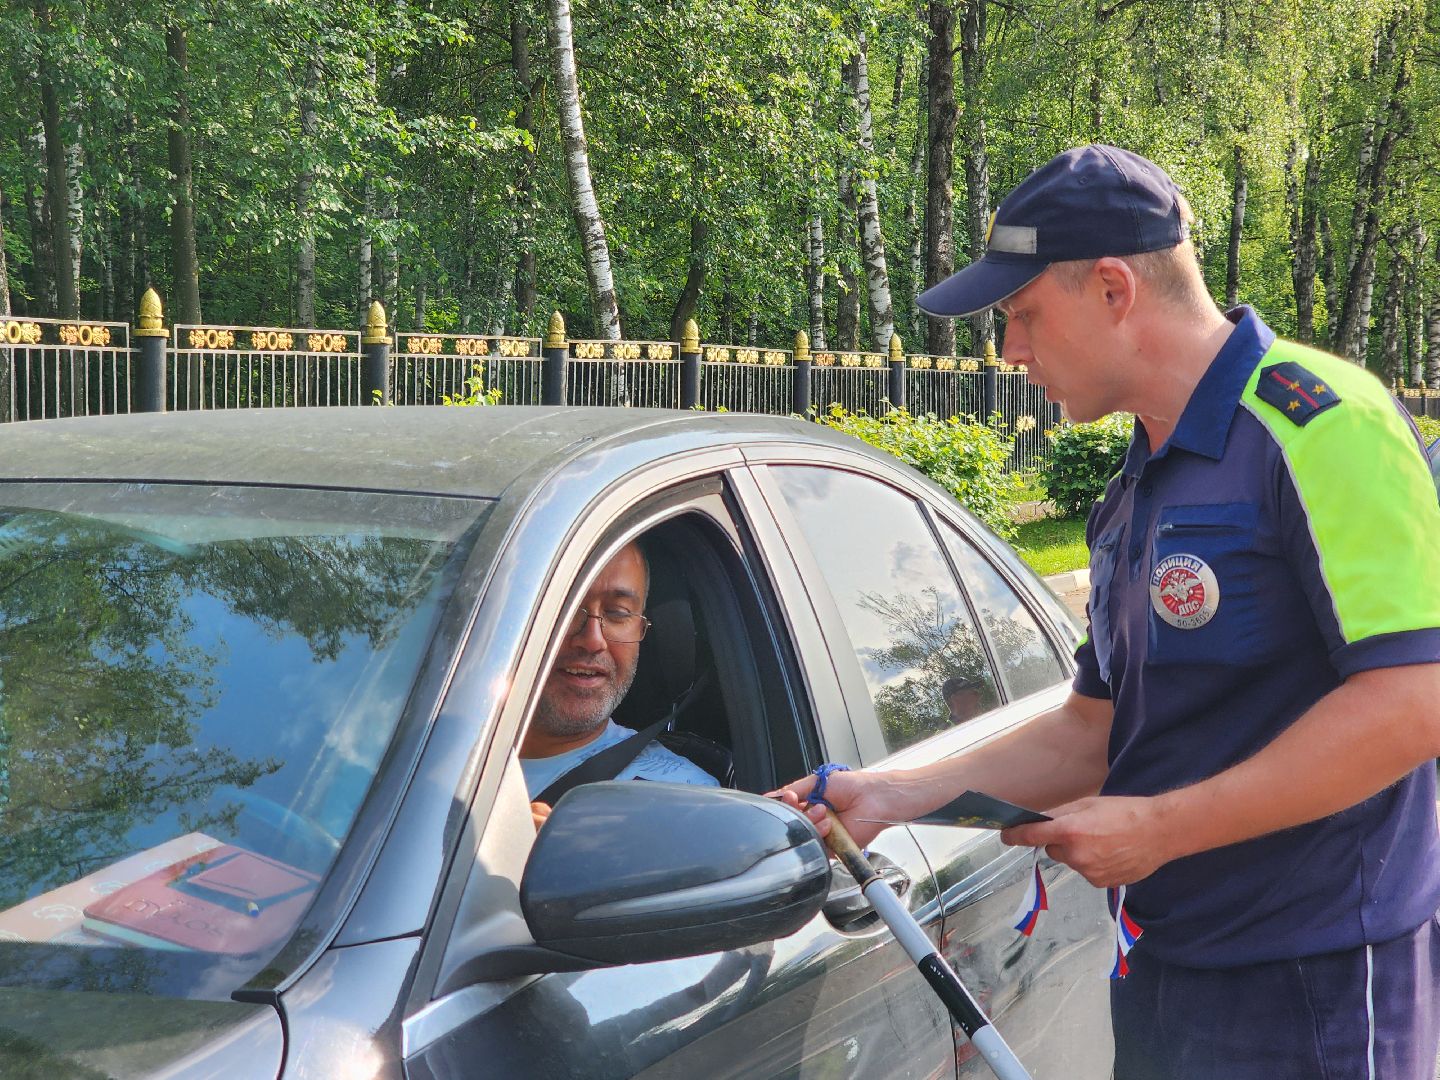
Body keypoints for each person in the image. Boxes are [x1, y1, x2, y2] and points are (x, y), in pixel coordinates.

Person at [775, 145, 1440, 1078]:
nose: (1010, 351)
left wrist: (1159, 829)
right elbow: (1094, 729)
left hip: (1316, 983)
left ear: (1114, 288)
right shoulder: (1136, 485)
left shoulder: (1323, 426)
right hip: (1164, 969)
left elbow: (1414, 702)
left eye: (1022, 315)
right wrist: (894, 795)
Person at [525, 541, 717, 830]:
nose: (593, 640)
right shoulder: (451, 749)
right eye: (565, 606)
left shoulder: (685, 802)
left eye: (618, 613)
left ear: (642, 630)